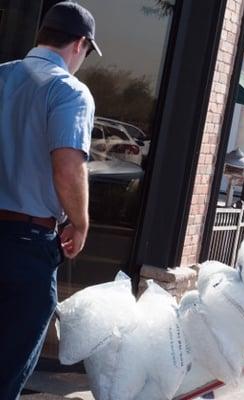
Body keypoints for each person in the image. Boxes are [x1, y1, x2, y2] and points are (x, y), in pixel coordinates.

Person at [0, 2, 101, 398]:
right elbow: (67, 167)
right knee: (7, 369)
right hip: (27, 246)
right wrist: (81, 221)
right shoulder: (69, 91)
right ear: (80, 44)